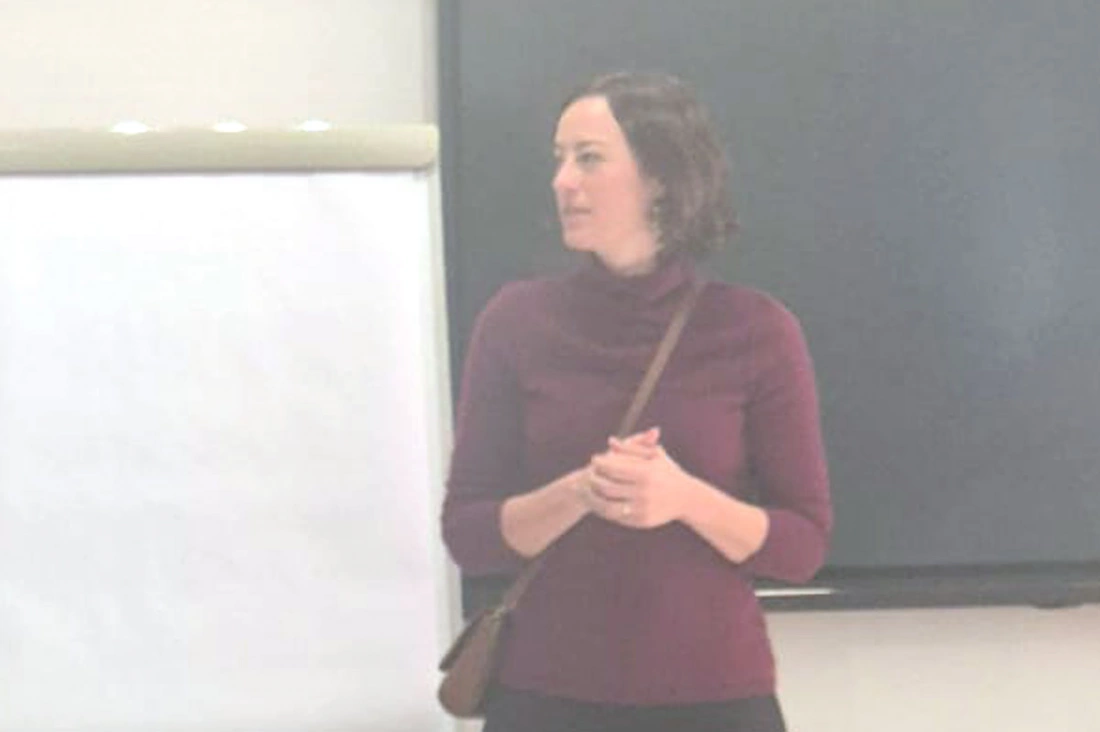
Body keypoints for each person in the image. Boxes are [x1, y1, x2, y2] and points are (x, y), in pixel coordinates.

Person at [441, 71, 831, 732]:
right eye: (559, 158)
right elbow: (468, 534)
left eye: (589, 158)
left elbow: (802, 545)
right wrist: (579, 493)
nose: (563, 180)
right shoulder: (517, 322)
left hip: (713, 701)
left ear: (659, 178)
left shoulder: (755, 331)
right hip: (543, 698)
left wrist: (684, 499)